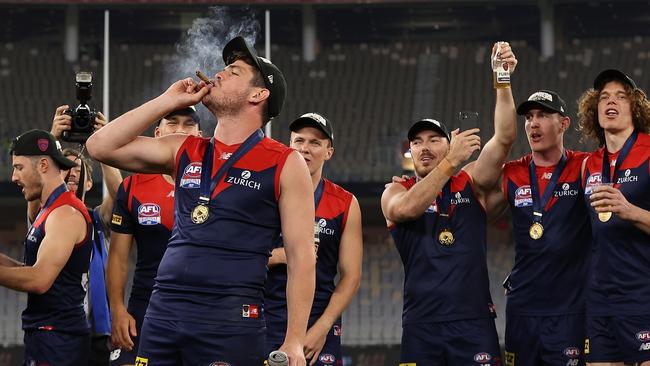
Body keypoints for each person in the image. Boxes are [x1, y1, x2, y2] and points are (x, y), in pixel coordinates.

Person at [87, 36, 315, 366]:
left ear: (258, 94)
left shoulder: (284, 161)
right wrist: (166, 101)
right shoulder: (185, 148)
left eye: (233, 71)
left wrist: (295, 339)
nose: (219, 74)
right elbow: (99, 147)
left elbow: (301, 255)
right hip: (164, 309)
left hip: (230, 317)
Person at [380, 42, 517, 365]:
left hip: (474, 322)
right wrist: (450, 161)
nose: (423, 148)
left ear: (449, 141)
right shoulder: (396, 190)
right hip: (421, 325)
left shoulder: (469, 181)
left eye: (433, 140)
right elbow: (407, 210)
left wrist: (503, 79)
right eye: (416, 142)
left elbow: (505, 138)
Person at [498, 89, 591, 366]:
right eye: (528, 117)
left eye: (542, 115)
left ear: (564, 123)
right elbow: (466, 190)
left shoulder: (585, 166)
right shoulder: (511, 172)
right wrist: (416, 180)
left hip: (570, 311)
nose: (533, 124)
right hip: (522, 311)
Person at [26, 106, 124, 366]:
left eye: (79, 170)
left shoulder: (95, 218)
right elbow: (37, 186)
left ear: (90, 184)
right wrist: (51, 139)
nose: (72, 173)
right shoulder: (45, 214)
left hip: (97, 330)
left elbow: (120, 197)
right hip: (57, 328)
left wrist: (104, 145)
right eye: (65, 168)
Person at [265, 113, 363, 366]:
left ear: (329, 151)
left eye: (315, 143)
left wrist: (323, 327)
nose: (305, 149)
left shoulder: (345, 203)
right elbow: (238, 255)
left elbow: (351, 276)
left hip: (318, 320)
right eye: (299, 141)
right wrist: (280, 256)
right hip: (265, 315)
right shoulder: (265, 194)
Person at [107, 106, 202, 366]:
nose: (181, 131)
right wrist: (117, 310)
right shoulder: (132, 187)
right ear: (157, 133)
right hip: (145, 309)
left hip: (203, 311)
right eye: (173, 123)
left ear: (201, 135)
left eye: (189, 125)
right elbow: (117, 256)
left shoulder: (216, 185)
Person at [578, 69, 650, 365]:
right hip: (599, 301)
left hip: (643, 297)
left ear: (634, 107)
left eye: (621, 96)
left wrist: (629, 210)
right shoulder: (588, 165)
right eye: (604, 97)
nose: (611, 102)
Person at [1, 129, 91, 365]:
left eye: (19, 167)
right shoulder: (48, 209)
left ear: (42, 165)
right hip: (48, 335)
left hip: (59, 340)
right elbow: (30, 267)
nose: (13, 177)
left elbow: (39, 279)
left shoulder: (65, 213)